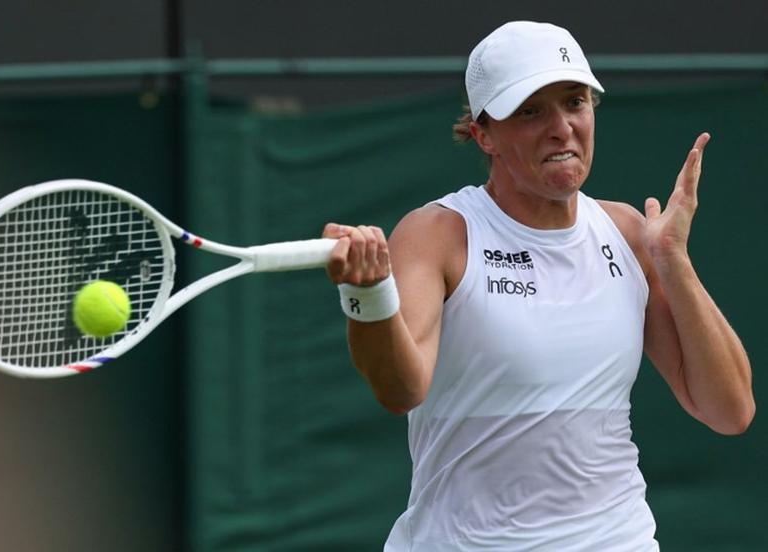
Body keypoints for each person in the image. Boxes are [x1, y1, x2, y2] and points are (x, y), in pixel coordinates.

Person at [323, 20, 755, 551]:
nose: (561, 127)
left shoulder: (630, 234)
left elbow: (730, 409)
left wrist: (672, 260)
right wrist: (367, 297)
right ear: (483, 134)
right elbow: (400, 390)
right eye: (530, 111)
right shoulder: (438, 235)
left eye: (575, 102)